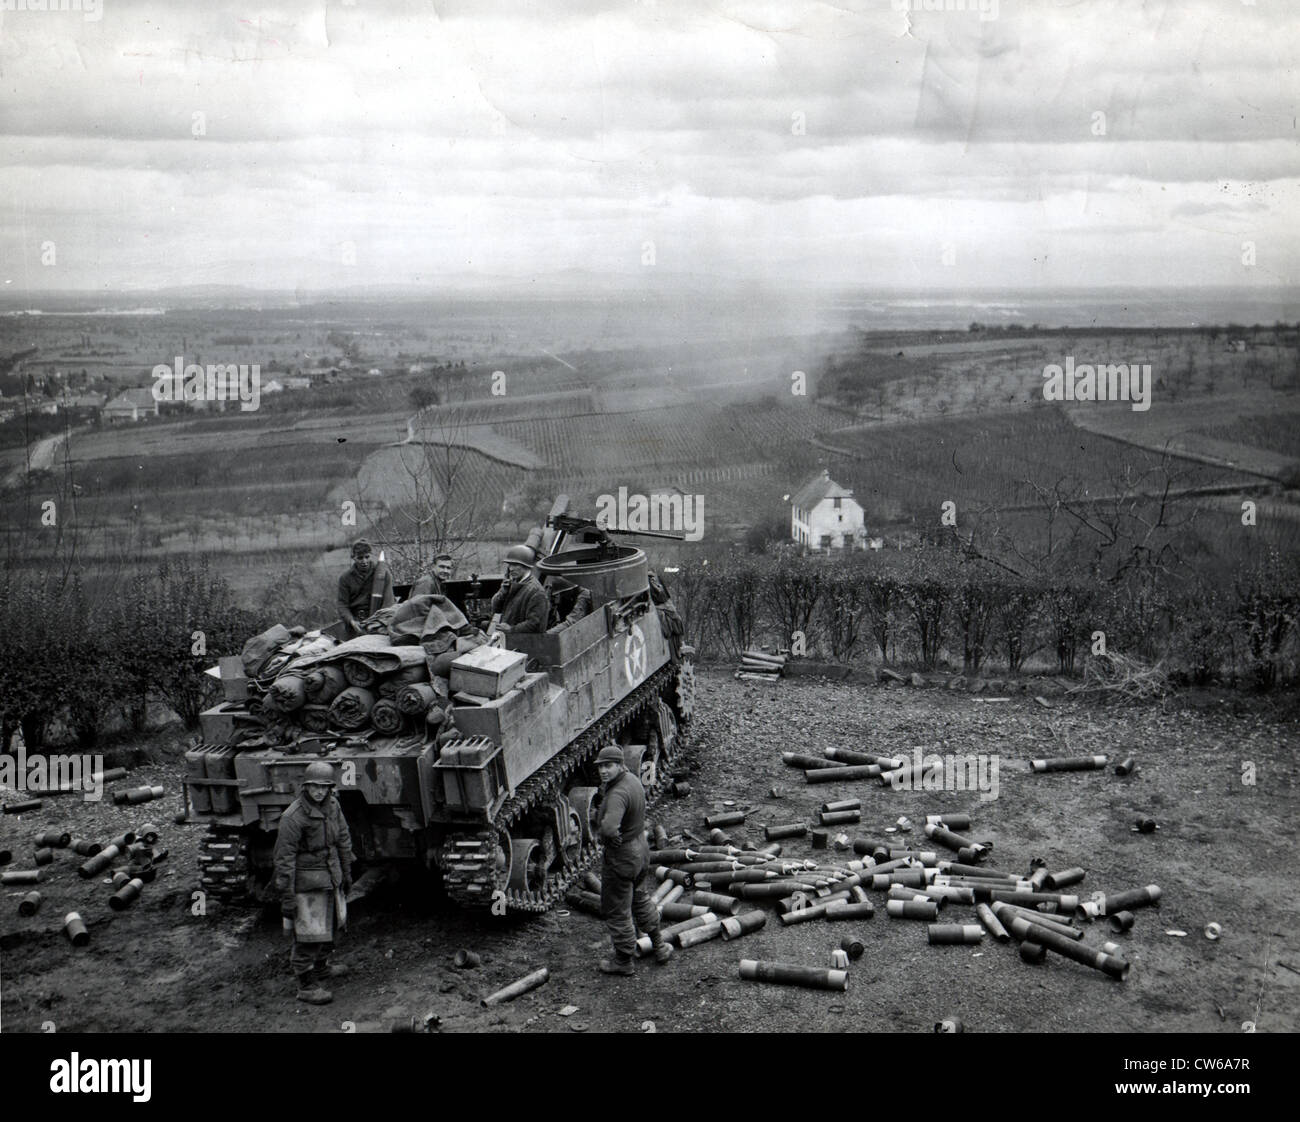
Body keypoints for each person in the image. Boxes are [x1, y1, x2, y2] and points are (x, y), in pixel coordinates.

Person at [273, 761, 355, 1005]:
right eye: (314, 787)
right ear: (306, 786)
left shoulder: (333, 805)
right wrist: (287, 897)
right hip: (307, 883)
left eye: (324, 787)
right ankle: (306, 985)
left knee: (331, 928)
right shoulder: (293, 817)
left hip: (331, 875)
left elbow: (343, 838)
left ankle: (321, 968)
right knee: (308, 935)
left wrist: (347, 873)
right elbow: (284, 860)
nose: (319, 791)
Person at [593, 745, 673, 975]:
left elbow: (608, 828)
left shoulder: (617, 793)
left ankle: (623, 960)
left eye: (608, 766)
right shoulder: (633, 780)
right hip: (640, 849)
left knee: (617, 907)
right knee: (639, 897)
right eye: (601, 767)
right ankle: (659, 945)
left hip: (623, 856)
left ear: (619, 765)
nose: (603, 771)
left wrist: (611, 836)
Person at [337, 539, 394, 636]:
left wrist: (377, 623)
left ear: (371, 555)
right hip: (356, 624)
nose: (364, 561)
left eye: (367, 557)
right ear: (353, 558)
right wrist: (351, 621)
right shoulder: (345, 578)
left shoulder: (383, 574)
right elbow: (342, 605)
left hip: (379, 622)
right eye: (360, 558)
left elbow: (388, 602)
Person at [489, 544, 549, 635]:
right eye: (509, 565)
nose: (511, 569)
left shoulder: (536, 591)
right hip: (511, 641)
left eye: (515, 565)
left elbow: (535, 624)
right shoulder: (512, 584)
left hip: (527, 644)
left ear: (526, 566)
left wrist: (511, 629)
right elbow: (496, 609)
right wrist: (503, 593)